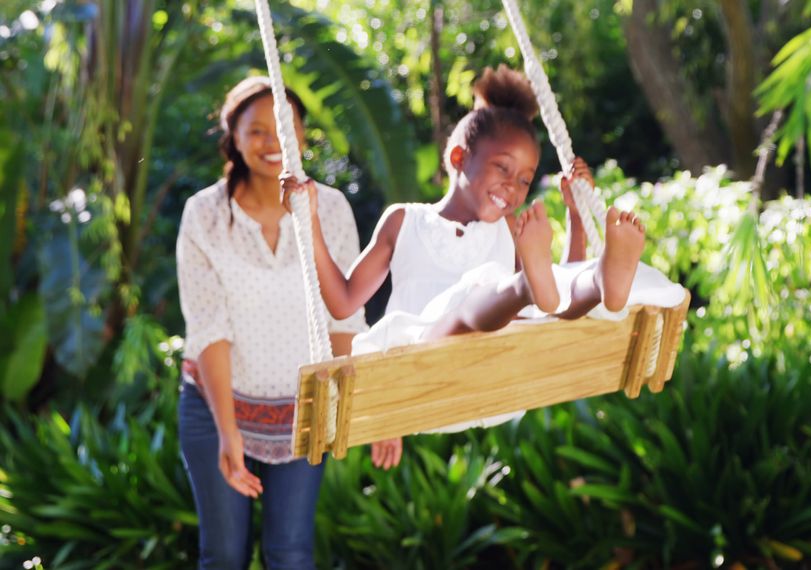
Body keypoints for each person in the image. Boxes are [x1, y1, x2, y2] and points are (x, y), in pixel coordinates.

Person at [280, 65, 658, 412]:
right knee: (470, 300)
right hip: (422, 366)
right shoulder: (405, 221)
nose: (512, 188)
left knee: (552, 297)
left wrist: (577, 215)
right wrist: (308, 220)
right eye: (502, 168)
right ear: (460, 157)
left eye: (525, 180)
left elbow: (555, 302)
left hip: (497, 366)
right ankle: (526, 284)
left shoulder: (511, 229)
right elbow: (344, 303)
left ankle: (600, 280)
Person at [175, 75, 397, 570]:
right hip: (217, 408)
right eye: (256, 130)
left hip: (301, 408)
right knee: (224, 556)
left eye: (284, 127)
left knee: (290, 552)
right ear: (232, 136)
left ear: (302, 133)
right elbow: (209, 329)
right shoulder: (204, 216)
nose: (273, 142)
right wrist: (228, 432)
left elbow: (344, 318)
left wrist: (374, 410)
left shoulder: (330, 208)